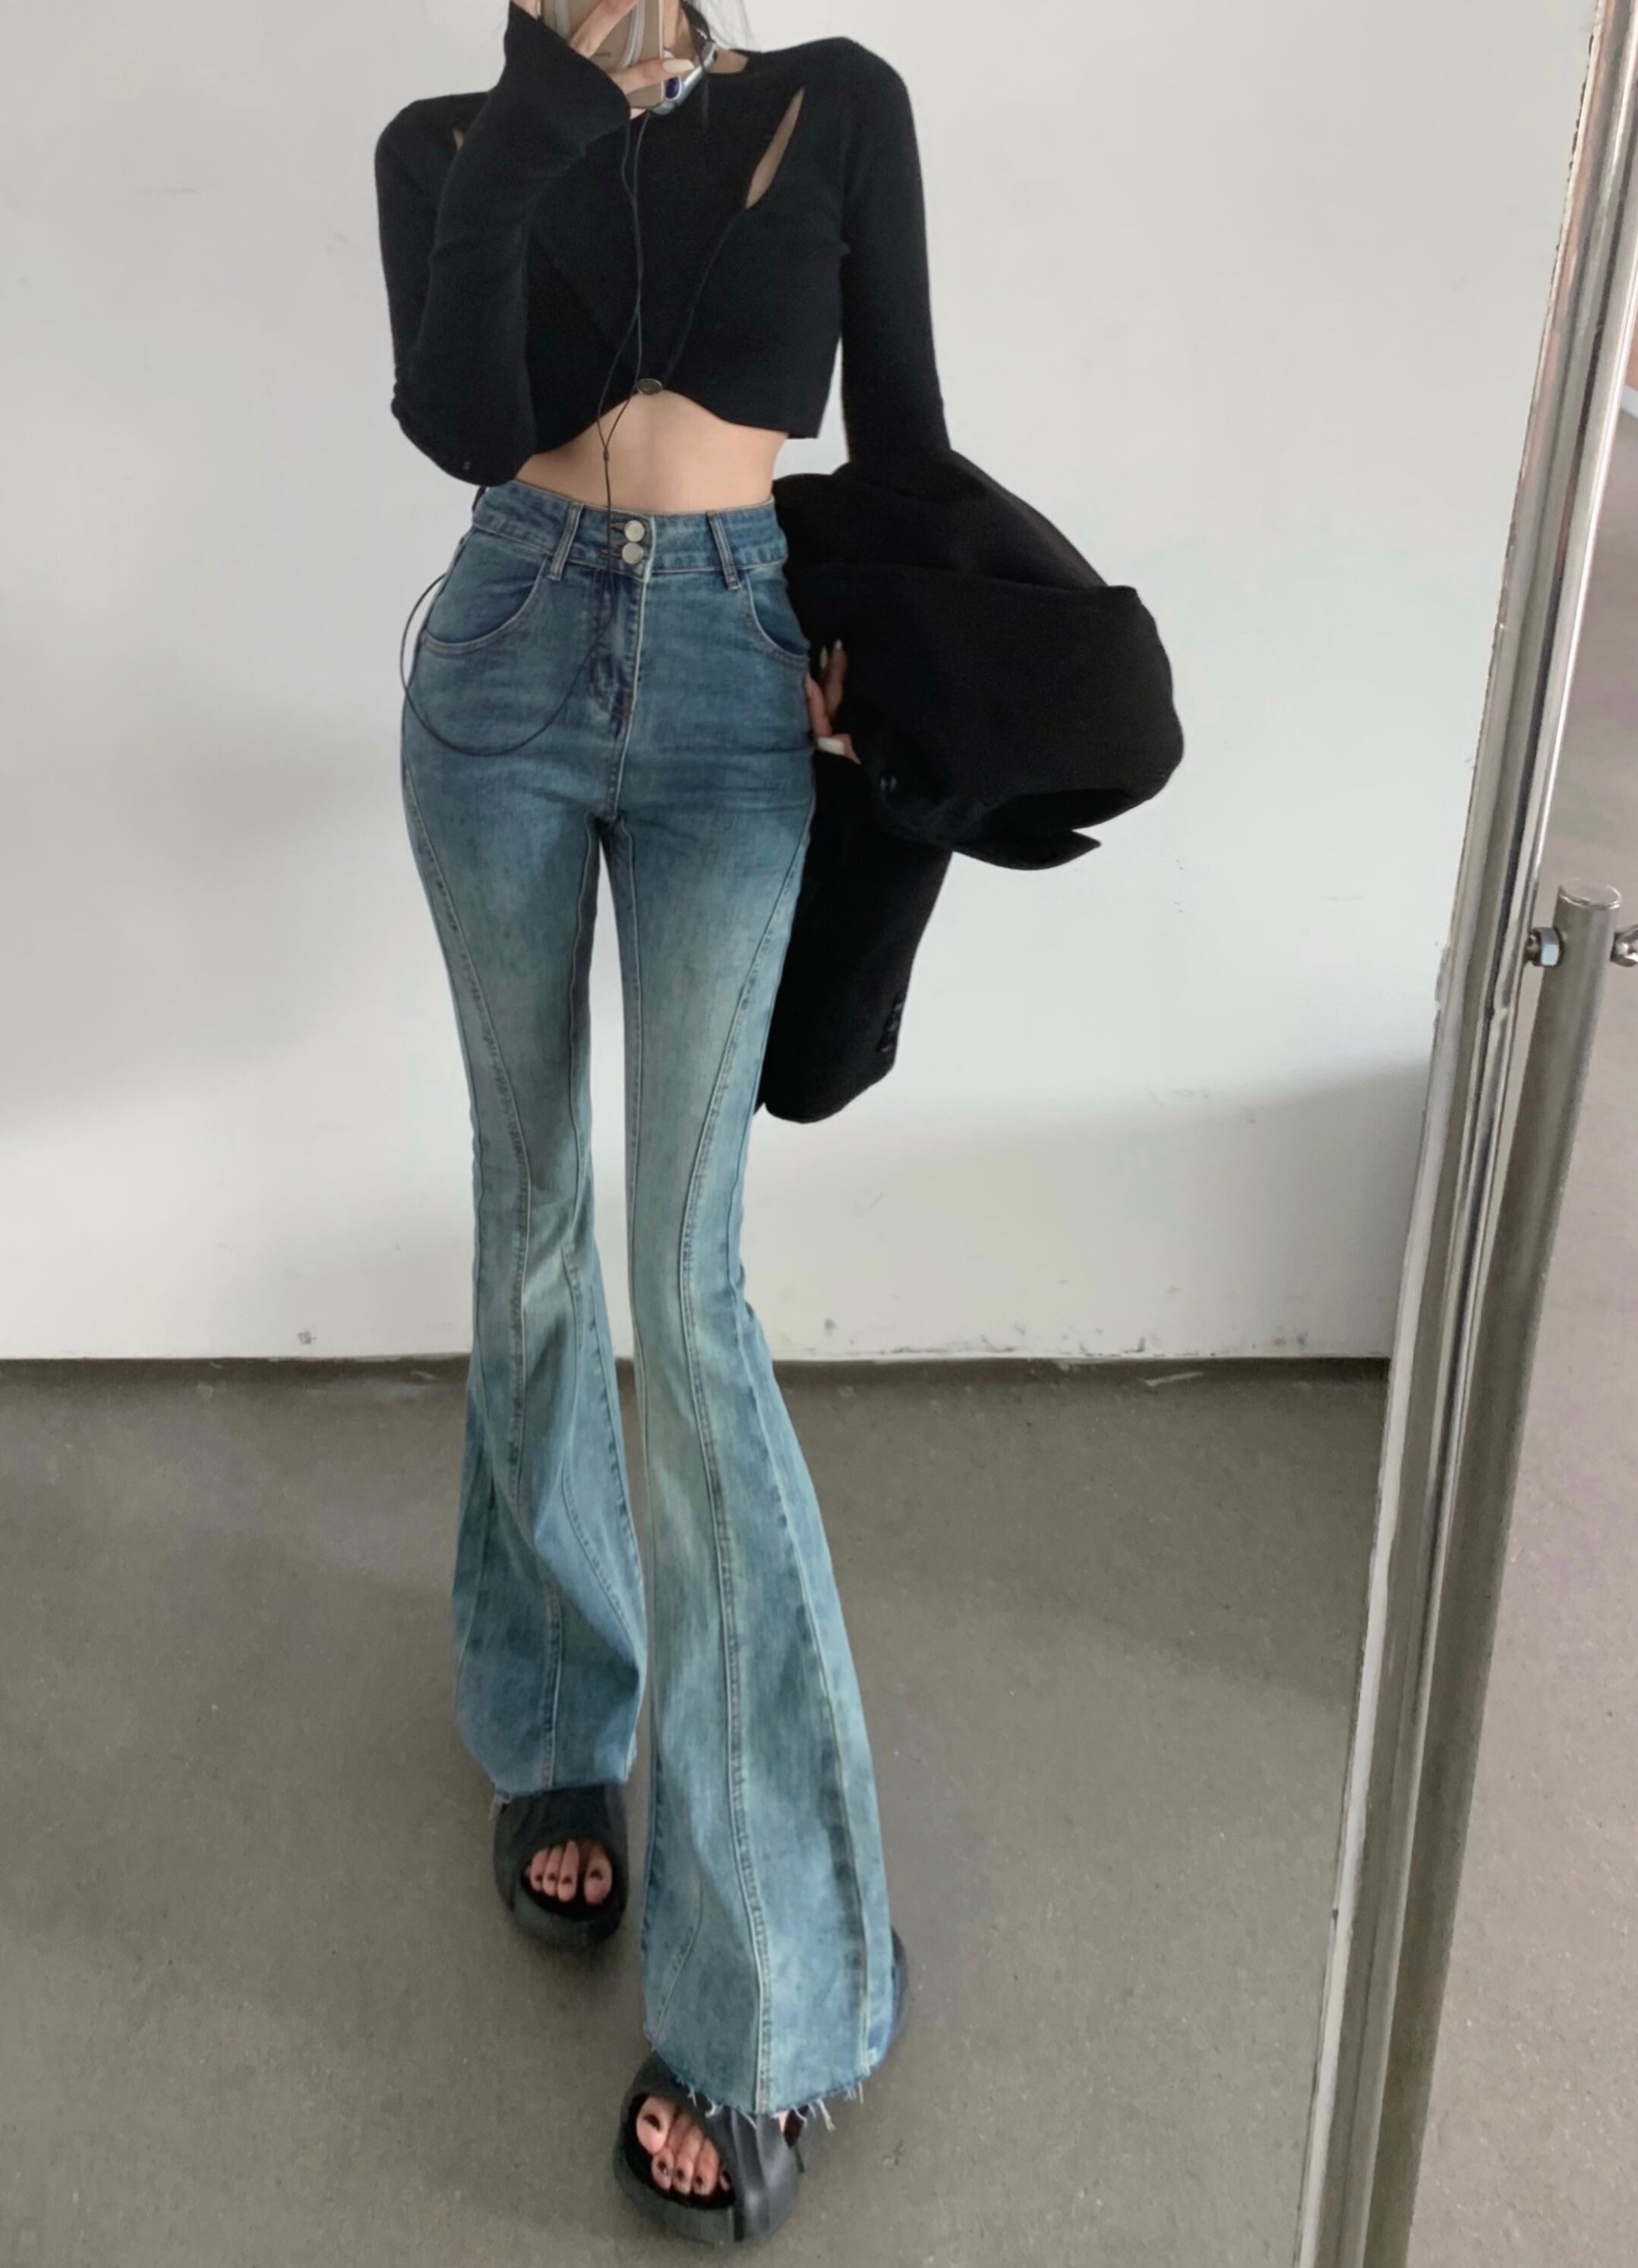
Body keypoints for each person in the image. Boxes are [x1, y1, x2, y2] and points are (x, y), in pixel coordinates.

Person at [372, 0, 947, 2238]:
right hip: (500, 660)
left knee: (687, 1299)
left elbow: (904, 453)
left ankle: (777, 1995)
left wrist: (890, 714)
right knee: (531, 1219)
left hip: (735, 673)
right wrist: (553, 92)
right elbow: (459, 420)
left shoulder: (842, 105)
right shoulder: (443, 137)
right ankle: (552, 1712)